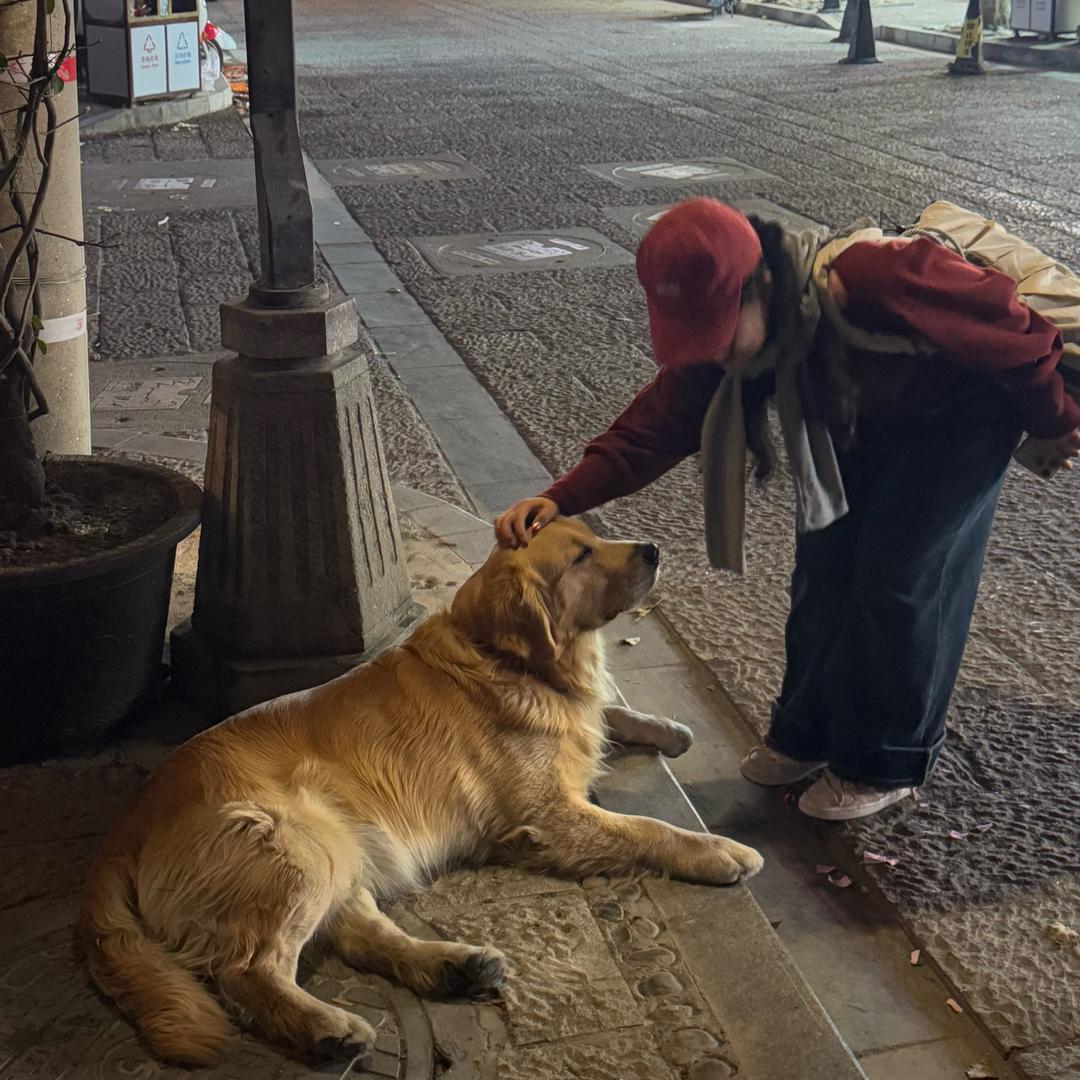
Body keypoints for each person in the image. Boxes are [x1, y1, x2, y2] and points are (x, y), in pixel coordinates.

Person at [493, 198, 1080, 821]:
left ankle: (885, 760)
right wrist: (559, 496)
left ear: (764, 287)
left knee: (900, 577)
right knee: (825, 567)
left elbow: (1022, 337)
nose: (716, 358)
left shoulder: (882, 278)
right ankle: (806, 733)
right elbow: (659, 423)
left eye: (720, 337)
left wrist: (1057, 423)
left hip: (959, 413)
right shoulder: (736, 336)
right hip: (853, 409)